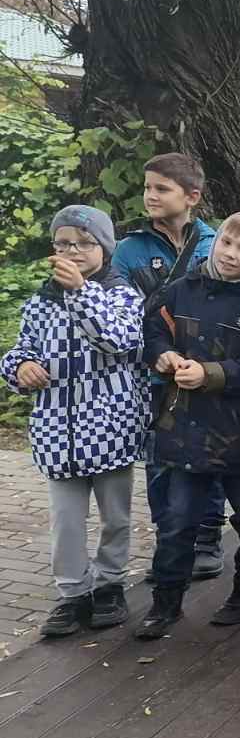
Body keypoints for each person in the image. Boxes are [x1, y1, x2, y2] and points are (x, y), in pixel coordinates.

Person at [3, 207, 146, 637]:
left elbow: (119, 340)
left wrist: (82, 292)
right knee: (64, 521)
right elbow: (17, 350)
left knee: (115, 517)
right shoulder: (39, 303)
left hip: (109, 427)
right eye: (64, 243)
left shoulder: (122, 294)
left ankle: (110, 586)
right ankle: (71, 593)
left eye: (84, 243)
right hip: (55, 430)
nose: (73, 251)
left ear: (104, 247)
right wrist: (20, 366)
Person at [136, 210, 240, 639]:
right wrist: (161, 356)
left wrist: (211, 374)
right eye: (226, 243)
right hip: (184, 429)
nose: (231, 254)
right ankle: (166, 602)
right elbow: (152, 332)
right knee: (177, 519)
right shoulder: (179, 291)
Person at [112, 153, 224, 583]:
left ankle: (209, 538)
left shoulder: (216, 243)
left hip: (205, 370)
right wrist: (153, 350)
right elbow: (122, 312)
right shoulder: (128, 249)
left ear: (191, 196)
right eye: (147, 187)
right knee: (160, 460)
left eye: (162, 188)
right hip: (153, 373)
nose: (150, 196)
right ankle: (170, 540)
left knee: (209, 452)